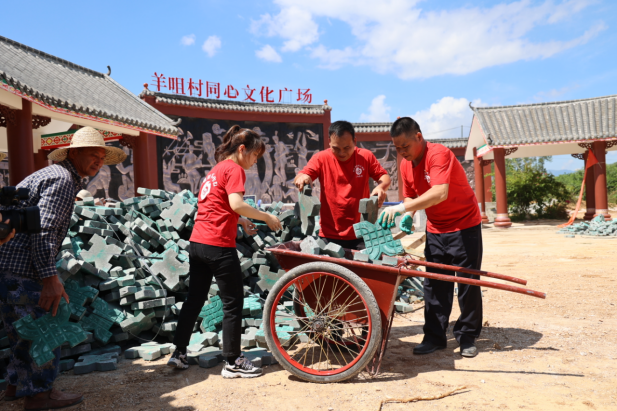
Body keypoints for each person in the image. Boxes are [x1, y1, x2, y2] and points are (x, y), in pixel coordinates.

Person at [0, 127, 126, 409]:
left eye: (102, 157)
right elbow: (42, 231)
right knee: (45, 328)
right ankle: (39, 395)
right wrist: (49, 278)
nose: (98, 162)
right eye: (93, 155)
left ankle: (16, 386)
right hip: (24, 270)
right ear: (73, 152)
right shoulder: (62, 180)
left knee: (22, 330)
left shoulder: (52, 175)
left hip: (9, 268)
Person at [168, 125, 282, 378]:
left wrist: (239, 221)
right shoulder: (234, 169)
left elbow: (215, 206)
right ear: (242, 150)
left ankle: (179, 352)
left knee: (194, 299)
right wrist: (267, 217)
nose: (254, 162)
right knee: (232, 302)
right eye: (254, 156)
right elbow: (237, 203)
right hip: (218, 244)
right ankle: (232, 360)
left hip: (197, 243)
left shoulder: (215, 171)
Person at [379, 117, 483, 358]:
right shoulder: (406, 164)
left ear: (419, 136)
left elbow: (439, 192)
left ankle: (467, 336)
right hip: (436, 228)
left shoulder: (439, 154)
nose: (402, 152)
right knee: (435, 284)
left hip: (464, 225)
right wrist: (410, 211)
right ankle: (435, 336)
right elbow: (410, 196)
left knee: (468, 282)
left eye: (405, 146)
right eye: (397, 147)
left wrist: (401, 209)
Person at [294, 120, 391, 249]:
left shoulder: (365, 157)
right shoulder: (321, 158)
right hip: (329, 235)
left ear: (355, 142)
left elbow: (384, 177)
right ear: (329, 142)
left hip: (361, 233)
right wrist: (303, 177)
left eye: (347, 148)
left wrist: (380, 187)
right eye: (336, 148)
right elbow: (301, 176)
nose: (342, 153)